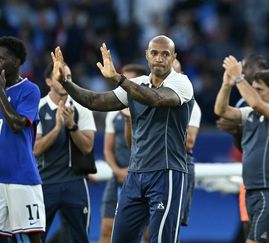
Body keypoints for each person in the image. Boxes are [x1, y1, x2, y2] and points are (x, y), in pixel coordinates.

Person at [51, 34, 194, 242]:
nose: (159, 58)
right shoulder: (137, 83)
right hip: (135, 175)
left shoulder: (181, 83)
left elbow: (155, 99)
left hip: (167, 173)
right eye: (154, 53)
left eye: (165, 54)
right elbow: (95, 100)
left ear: (174, 58)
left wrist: (118, 78)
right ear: (147, 55)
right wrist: (65, 82)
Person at [0, 36, 44, 243]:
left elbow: (16, 124)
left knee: (33, 239)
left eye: (0, 59)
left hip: (22, 178)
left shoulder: (30, 90)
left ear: (16, 62)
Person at [214, 56, 269, 243]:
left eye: (259, 90)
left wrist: (239, 78)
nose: (254, 94)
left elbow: (256, 103)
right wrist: (226, 84)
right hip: (252, 188)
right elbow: (221, 110)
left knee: (255, 239)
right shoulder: (250, 113)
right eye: (253, 89)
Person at [33, 62, 96, 242]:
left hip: (75, 182)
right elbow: (35, 149)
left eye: (68, 77)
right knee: (36, 238)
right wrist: (57, 128)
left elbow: (87, 147)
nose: (65, 80)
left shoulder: (81, 106)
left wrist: (71, 126)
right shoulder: (37, 108)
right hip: (45, 182)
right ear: (48, 81)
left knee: (80, 238)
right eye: (60, 77)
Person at [99, 64, 147, 243]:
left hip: (144, 178)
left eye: (128, 81)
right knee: (106, 230)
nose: (123, 84)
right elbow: (107, 149)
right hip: (118, 177)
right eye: (121, 80)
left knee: (149, 233)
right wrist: (117, 170)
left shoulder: (151, 110)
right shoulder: (113, 113)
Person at [171, 59, 202, 228]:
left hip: (179, 165)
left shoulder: (192, 106)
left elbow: (189, 143)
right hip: (153, 165)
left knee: (172, 226)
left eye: (174, 74)